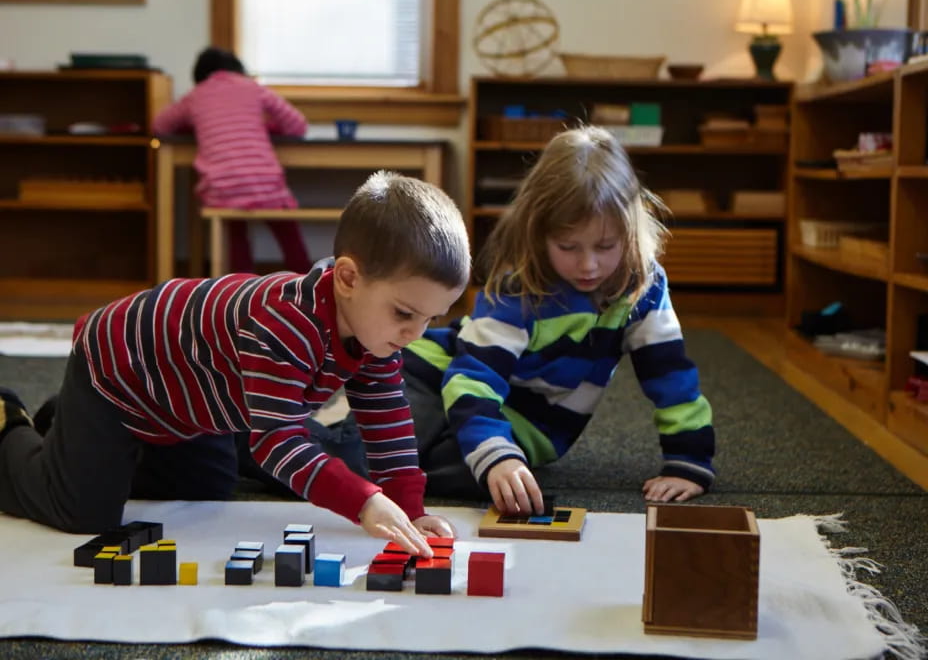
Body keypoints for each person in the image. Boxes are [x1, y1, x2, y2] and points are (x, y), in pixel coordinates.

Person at [0, 172, 470, 556]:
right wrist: (365, 503)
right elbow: (276, 443)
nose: (415, 334)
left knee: (204, 493)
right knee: (83, 513)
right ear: (347, 278)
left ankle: (69, 426)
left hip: (189, 402)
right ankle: (11, 426)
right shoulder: (285, 323)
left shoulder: (377, 332)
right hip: (118, 372)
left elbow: (388, 422)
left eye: (431, 319)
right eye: (405, 314)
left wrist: (410, 509)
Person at [403, 125, 715, 516]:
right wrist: (495, 453)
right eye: (568, 247)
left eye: (605, 246)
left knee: (484, 476)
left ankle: (406, 458)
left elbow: (669, 374)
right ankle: (336, 449)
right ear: (539, 233)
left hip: (529, 424)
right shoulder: (518, 285)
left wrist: (689, 460)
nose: (588, 265)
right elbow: (474, 377)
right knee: (385, 445)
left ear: (630, 233)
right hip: (436, 375)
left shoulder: (643, 286)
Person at [153, 46, 312, 274]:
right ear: (239, 70)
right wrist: (267, 127)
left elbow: (160, 126)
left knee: (235, 233)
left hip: (223, 187)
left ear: (200, 76)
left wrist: (194, 126)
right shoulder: (253, 88)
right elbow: (297, 125)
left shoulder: (196, 96)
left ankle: (242, 285)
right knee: (287, 230)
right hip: (265, 182)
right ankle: (307, 278)